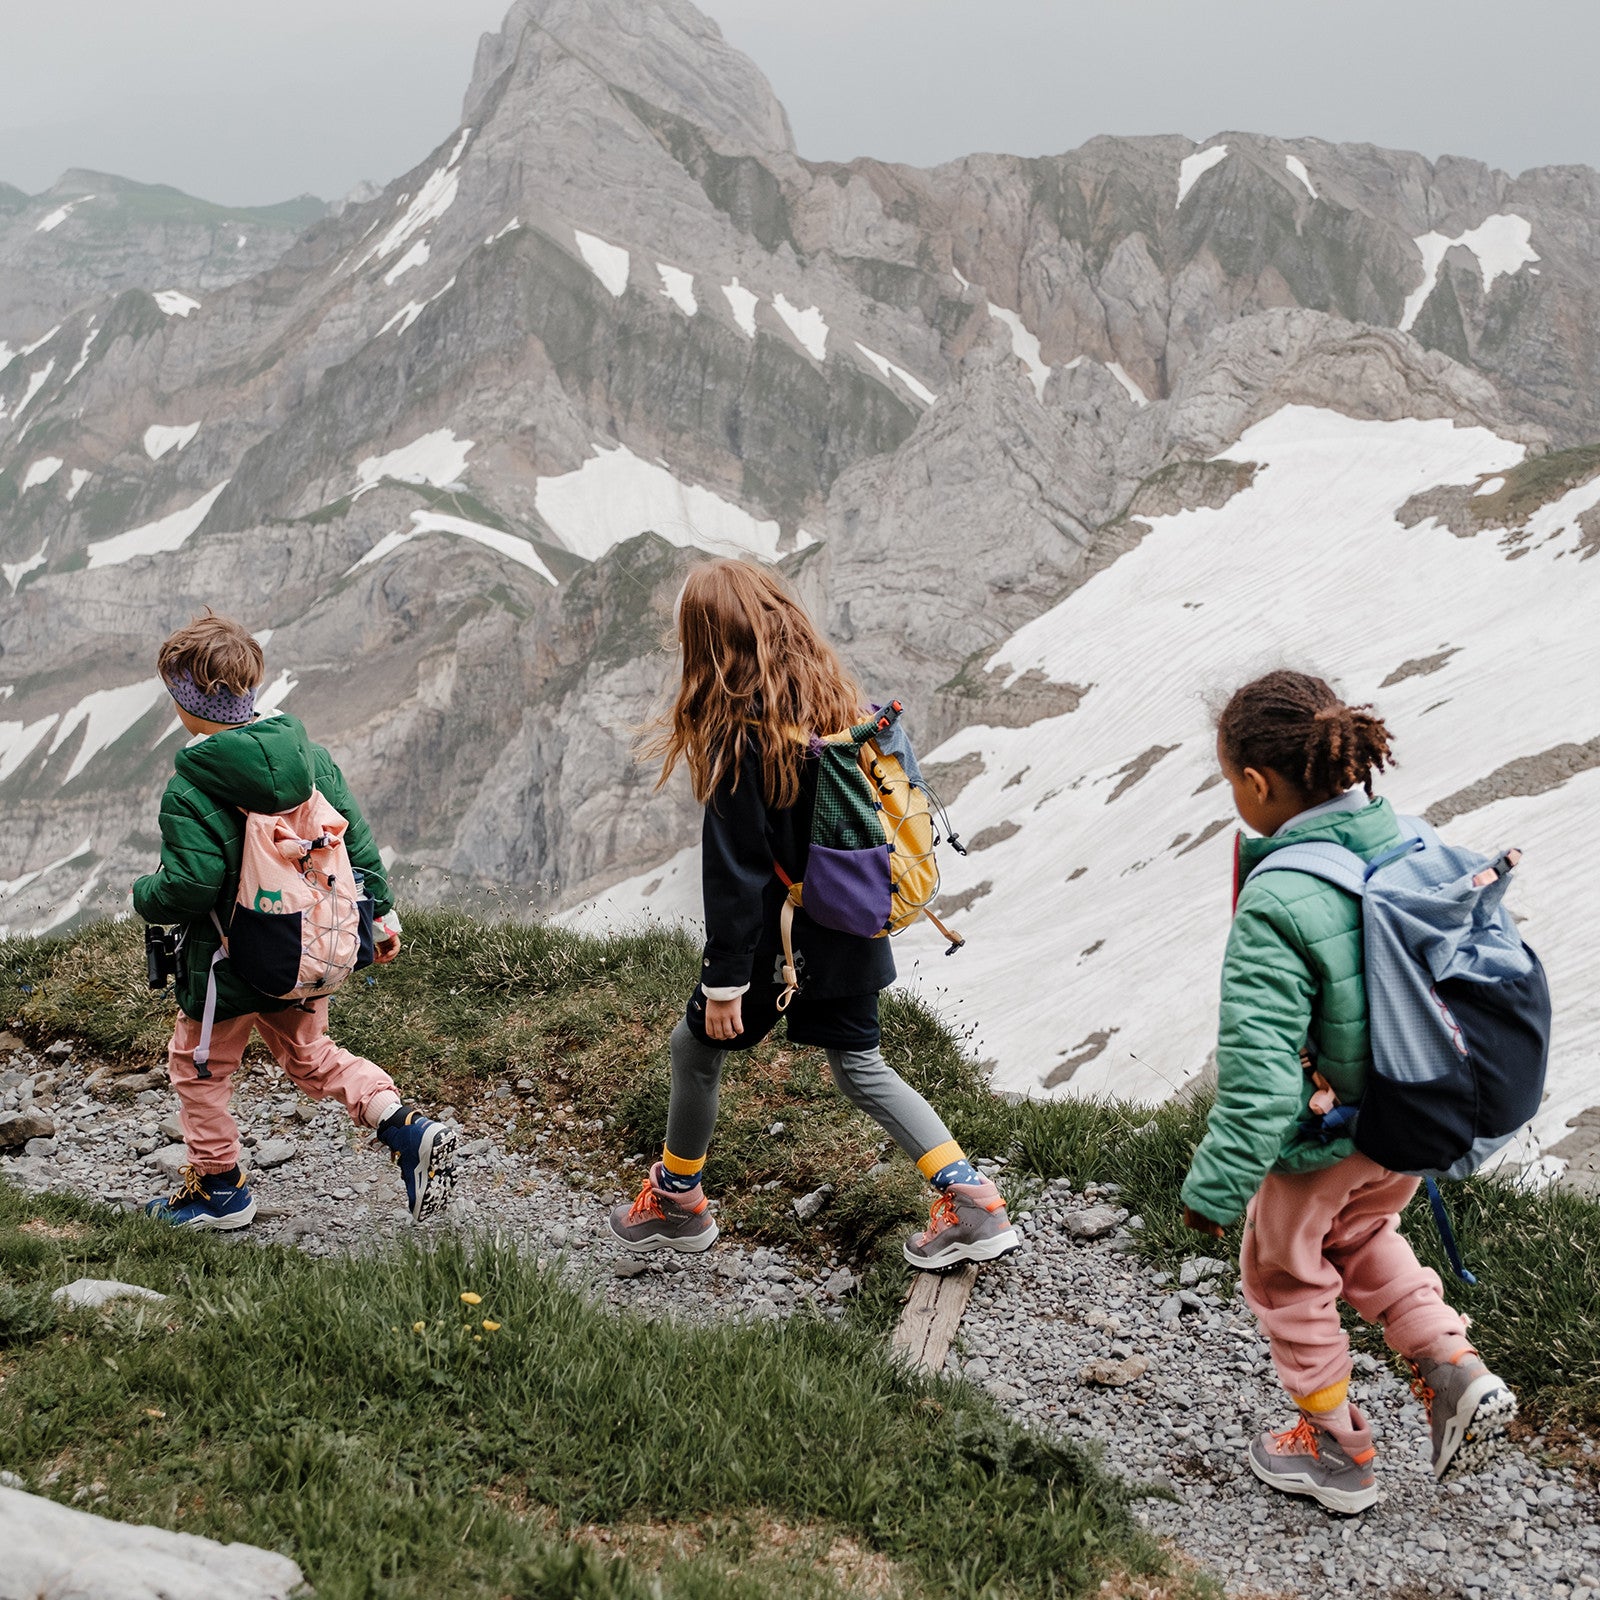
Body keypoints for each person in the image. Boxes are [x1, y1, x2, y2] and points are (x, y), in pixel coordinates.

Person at [607, 559, 1018, 1269]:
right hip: (854, 916)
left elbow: (734, 877)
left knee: (695, 1049)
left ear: (710, 644)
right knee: (861, 1066)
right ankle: (972, 1196)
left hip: (783, 943)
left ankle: (678, 1198)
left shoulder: (741, 737)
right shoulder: (832, 701)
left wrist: (727, 982)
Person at [1181, 669, 1516, 1513]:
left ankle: (1337, 1452)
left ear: (1257, 784)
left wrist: (1217, 1192)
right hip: (1405, 1122)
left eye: (1232, 785)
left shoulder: (1281, 899)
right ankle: (1452, 1368)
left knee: (1285, 1271)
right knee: (1364, 1236)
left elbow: (1259, 1078)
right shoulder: (1408, 839)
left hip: (1321, 1139)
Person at [133, 610, 455, 1229]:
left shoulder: (191, 787)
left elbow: (190, 885)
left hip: (227, 966)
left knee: (198, 1067)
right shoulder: (311, 759)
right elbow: (355, 840)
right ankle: (406, 1129)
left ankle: (220, 1190)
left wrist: (145, 894)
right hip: (306, 946)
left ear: (186, 700)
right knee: (310, 1053)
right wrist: (379, 913)